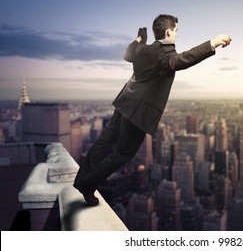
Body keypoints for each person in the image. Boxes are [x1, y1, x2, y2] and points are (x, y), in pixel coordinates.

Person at [73, 14, 232, 206]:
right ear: (168, 32)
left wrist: (139, 39)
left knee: (104, 142)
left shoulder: (142, 49)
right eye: (176, 31)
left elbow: (128, 54)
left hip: (124, 102)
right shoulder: (164, 54)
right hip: (138, 113)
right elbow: (183, 59)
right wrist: (212, 43)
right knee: (122, 153)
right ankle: (86, 184)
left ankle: (81, 179)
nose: (177, 35)